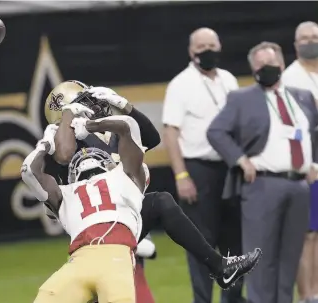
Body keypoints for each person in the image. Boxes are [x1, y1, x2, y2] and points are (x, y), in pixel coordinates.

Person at [44, 80, 261, 291]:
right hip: (93, 231)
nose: (92, 105)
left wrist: (125, 107)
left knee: (161, 202)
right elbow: (64, 155)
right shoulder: (59, 147)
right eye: (84, 101)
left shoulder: (103, 134)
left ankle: (220, 267)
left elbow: (150, 138)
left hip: (121, 217)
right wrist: (70, 117)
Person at [207, 41, 318, 303]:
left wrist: (313, 163)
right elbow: (216, 131)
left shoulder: (302, 96)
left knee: (290, 257)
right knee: (262, 257)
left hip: (299, 185)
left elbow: (313, 133)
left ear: (280, 64)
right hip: (263, 186)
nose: (263, 70)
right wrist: (241, 160)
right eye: (258, 66)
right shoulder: (242, 98)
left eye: (268, 64)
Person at [21, 113, 148, 303]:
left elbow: (29, 170)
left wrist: (47, 143)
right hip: (115, 259)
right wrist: (89, 125)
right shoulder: (127, 176)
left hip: (81, 263)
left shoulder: (65, 193)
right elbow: (127, 125)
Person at [161, 27, 244, 303]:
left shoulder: (229, 80)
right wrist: (181, 175)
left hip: (230, 170)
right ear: (191, 51)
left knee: (235, 243)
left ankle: (232, 300)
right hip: (197, 170)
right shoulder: (180, 84)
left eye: (212, 45)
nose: (207, 51)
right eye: (201, 46)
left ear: (219, 47)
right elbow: (170, 132)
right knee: (201, 245)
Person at [282, 21, 318, 303]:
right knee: (308, 234)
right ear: (295, 45)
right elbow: (291, 129)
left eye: (314, 37)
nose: (310, 42)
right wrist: (305, 164)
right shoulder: (290, 79)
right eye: (304, 38)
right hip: (309, 166)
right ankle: (307, 295)